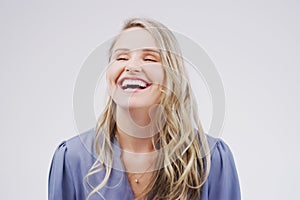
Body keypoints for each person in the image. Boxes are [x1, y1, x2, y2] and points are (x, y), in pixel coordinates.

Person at [48, 18, 241, 200]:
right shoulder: (71, 159)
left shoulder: (212, 160)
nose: (131, 66)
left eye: (149, 59)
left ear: (171, 76)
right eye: (121, 57)